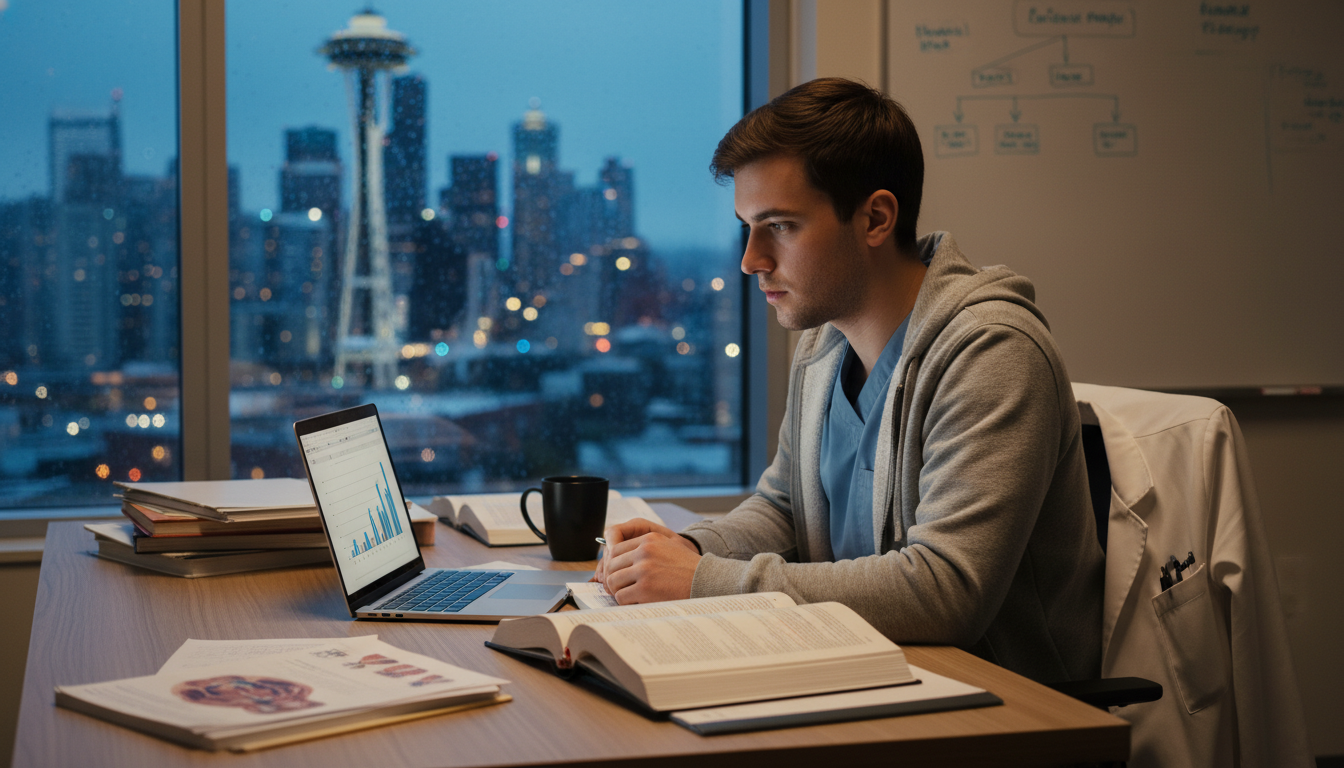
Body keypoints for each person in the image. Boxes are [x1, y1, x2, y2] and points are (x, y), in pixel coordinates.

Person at [596, 77, 1103, 683]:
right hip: (866, 672)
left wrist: (705, 582)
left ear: (876, 219)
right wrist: (692, 549)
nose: (751, 259)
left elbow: (947, 590)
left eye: (779, 226)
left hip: (1002, 709)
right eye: (747, 227)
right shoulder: (824, 343)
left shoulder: (994, 352)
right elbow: (785, 510)